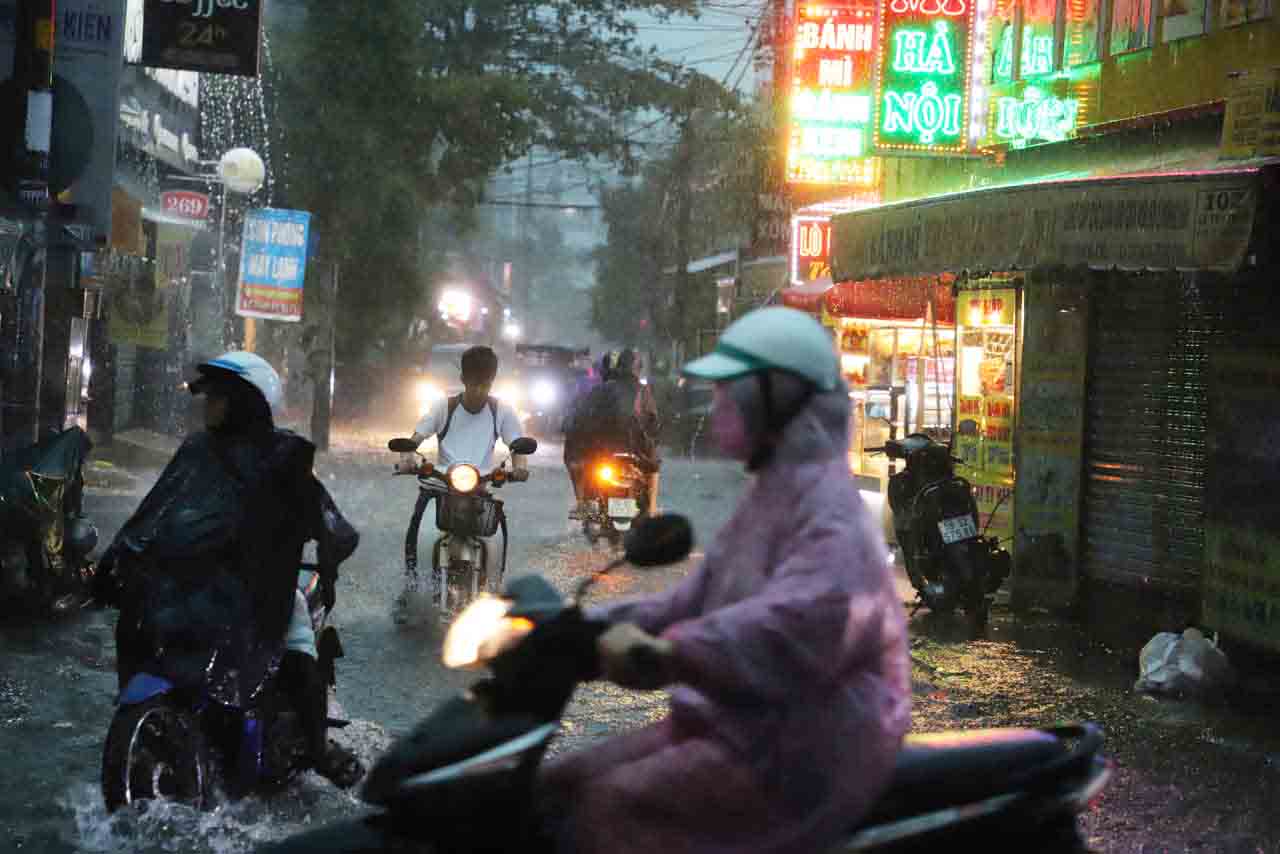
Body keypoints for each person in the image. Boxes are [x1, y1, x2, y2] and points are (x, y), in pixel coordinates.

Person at [537, 307, 912, 854]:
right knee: (556, 787)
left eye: (728, 395)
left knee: (607, 803)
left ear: (773, 400)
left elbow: (795, 623)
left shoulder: (829, 511)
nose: (716, 409)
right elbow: (694, 600)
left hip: (803, 749)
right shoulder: (770, 494)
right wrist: (574, 628)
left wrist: (670, 650)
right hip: (740, 726)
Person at [92, 351, 363, 788]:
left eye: (219, 397)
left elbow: (332, 526)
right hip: (195, 585)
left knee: (298, 650)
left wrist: (327, 560)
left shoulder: (284, 456)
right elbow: (156, 511)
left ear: (247, 402)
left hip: (261, 590)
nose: (209, 405)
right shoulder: (197, 450)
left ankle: (318, 750)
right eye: (209, 397)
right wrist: (118, 561)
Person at [395, 345, 530, 620]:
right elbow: (415, 438)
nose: (479, 390)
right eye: (474, 383)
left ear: (492, 381)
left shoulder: (501, 410)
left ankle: (494, 589)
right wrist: (407, 458)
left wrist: (520, 468)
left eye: (485, 384)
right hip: (440, 487)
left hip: (481, 489)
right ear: (463, 380)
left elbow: (518, 445)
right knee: (416, 532)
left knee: (499, 533)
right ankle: (410, 590)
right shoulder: (444, 407)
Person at [563, 348, 661, 519]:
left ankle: (583, 505)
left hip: (604, 450)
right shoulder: (643, 391)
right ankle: (652, 509)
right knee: (654, 467)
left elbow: (582, 418)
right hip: (636, 451)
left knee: (579, 463)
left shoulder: (600, 390)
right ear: (637, 369)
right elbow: (654, 422)